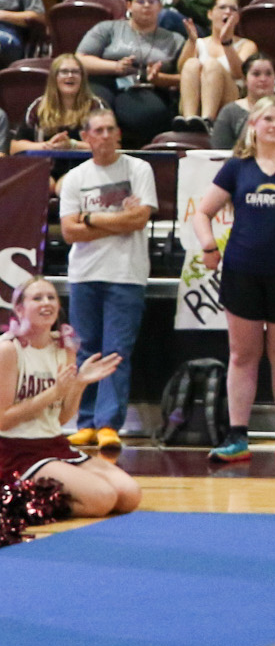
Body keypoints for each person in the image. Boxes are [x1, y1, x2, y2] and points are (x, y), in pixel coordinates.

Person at [191, 96, 275, 465]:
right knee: (243, 355)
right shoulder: (237, 168)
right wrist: (207, 245)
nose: (274, 125)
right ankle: (237, 437)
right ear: (253, 125)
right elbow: (203, 213)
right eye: (267, 119)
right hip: (243, 270)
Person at [0, 279, 141, 517]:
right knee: (101, 499)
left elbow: (62, 418)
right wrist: (53, 392)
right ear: (19, 308)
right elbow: (3, 420)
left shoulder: (64, 347)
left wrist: (79, 385)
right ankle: (18, 503)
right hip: (16, 449)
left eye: (51, 297)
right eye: (37, 298)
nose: (47, 303)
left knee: (129, 495)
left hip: (53, 443)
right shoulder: (9, 350)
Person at [58, 108, 154, 450]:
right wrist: (116, 218)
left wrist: (90, 218)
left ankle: (108, 424)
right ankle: (85, 421)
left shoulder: (139, 169)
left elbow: (139, 220)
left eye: (110, 129)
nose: (104, 136)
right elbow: (70, 232)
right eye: (97, 130)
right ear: (85, 137)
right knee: (85, 352)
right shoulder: (74, 178)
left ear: (119, 135)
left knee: (116, 351)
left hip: (126, 274)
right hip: (85, 275)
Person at [76, 0, 184, 141]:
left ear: (160, 7)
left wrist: (161, 77)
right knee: (94, 107)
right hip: (105, 81)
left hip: (148, 88)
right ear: (129, 6)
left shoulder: (175, 39)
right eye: (140, 1)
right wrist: (115, 67)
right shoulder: (107, 28)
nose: (146, 5)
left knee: (150, 115)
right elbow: (80, 60)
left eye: (152, 1)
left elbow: (184, 77)